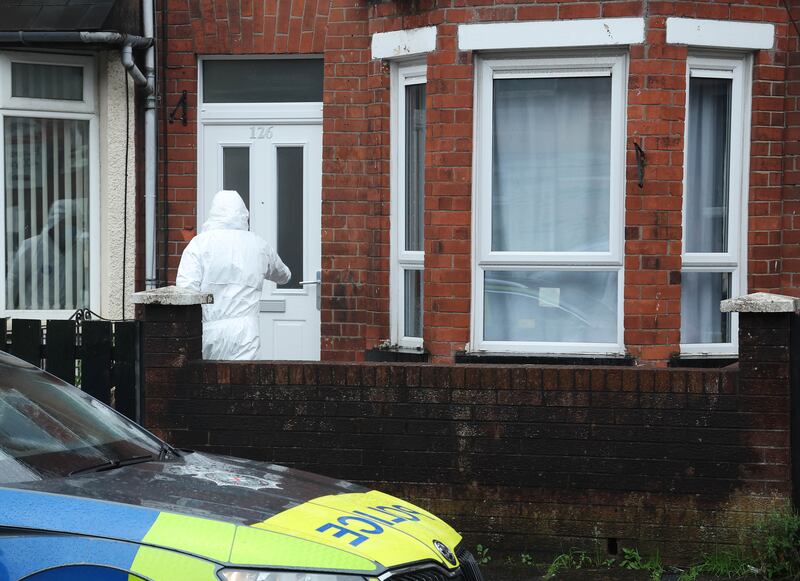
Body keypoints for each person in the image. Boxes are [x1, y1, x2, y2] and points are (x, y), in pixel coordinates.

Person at [176, 190, 290, 360]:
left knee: (208, 376)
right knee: (244, 376)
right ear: (244, 214)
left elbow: (185, 291)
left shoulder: (199, 244)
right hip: (246, 332)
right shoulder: (258, 245)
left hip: (208, 330)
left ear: (213, 213)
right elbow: (284, 275)